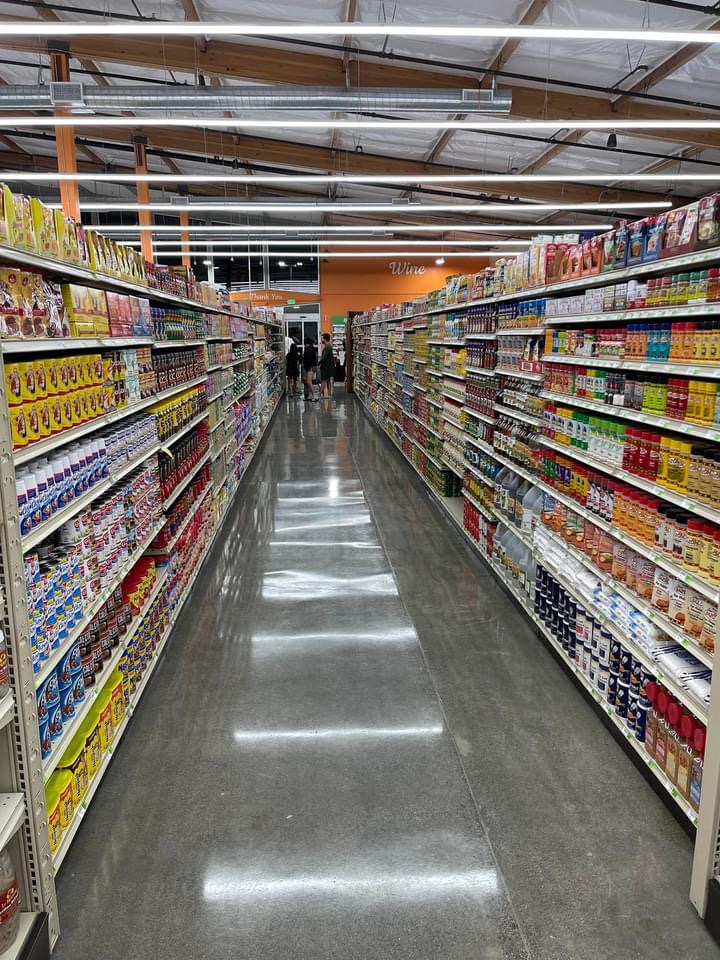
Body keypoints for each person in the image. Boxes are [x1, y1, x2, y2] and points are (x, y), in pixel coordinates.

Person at [302, 337, 318, 401]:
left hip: (309, 367)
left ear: (306, 343)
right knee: (310, 381)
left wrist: (305, 368)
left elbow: (306, 360)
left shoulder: (307, 350)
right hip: (313, 367)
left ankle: (315, 395)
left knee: (308, 382)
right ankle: (311, 395)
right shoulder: (313, 349)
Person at [319, 332, 335, 398]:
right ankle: (329, 394)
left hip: (326, 367)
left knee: (323, 380)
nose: (321, 340)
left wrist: (319, 362)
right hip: (329, 367)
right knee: (328, 381)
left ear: (325, 339)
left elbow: (324, 357)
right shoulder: (328, 346)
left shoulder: (327, 347)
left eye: (322, 338)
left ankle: (319, 394)